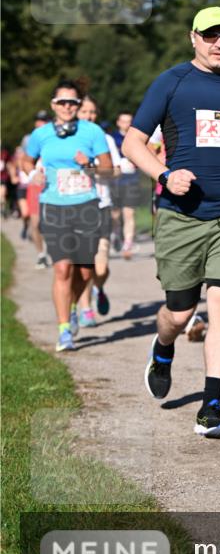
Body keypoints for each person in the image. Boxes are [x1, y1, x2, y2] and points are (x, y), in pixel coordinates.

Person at [122, 6, 220, 438]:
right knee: (180, 311)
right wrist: (165, 175)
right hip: (181, 217)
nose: (219, 44)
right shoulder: (173, 83)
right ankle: (163, 346)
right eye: (210, 36)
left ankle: (211, 407)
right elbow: (134, 143)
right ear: (193, 38)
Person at [22, 80, 112, 351]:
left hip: (85, 206)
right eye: (62, 102)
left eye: (72, 102)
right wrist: (32, 173)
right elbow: (26, 160)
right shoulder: (41, 135)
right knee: (62, 268)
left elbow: (108, 168)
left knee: (84, 273)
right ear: (53, 105)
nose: (67, 107)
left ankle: (73, 306)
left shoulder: (92, 131)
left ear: (78, 104)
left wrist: (91, 164)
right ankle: (64, 331)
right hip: (53, 205)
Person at [75, 96, 121, 324]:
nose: (89, 116)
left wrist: (90, 166)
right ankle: (85, 308)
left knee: (100, 268)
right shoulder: (66, 140)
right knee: (83, 263)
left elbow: (116, 171)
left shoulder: (105, 140)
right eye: (84, 111)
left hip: (102, 206)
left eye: (92, 112)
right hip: (75, 208)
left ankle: (98, 289)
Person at [110, 110, 142, 259]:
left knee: (129, 213)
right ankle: (116, 235)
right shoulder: (111, 139)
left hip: (131, 180)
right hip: (114, 181)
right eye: (123, 121)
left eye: (129, 121)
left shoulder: (138, 137)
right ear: (118, 122)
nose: (126, 124)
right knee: (115, 214)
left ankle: (128, 244)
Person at [22, 110, 51, 268]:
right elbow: (24, 160)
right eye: (39, 121)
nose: (42, 124)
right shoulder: (29, 139)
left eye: (45, 121)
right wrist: (32, 173)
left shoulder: (56, 136)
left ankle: (53, 249)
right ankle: (41, 254)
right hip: (36, 185)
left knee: (53, 222)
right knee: (36, 222)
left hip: (54, 183)